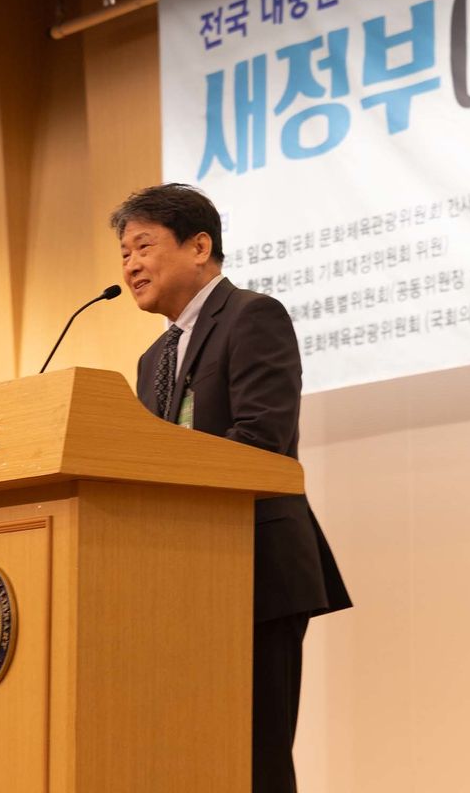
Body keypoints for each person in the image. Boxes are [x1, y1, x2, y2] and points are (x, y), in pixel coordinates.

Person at [110, 182, 351, 793]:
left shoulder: (252, 316)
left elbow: (262, 439)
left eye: (143, 246)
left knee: (256, 757)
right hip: (180, 576)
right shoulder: (151, 359)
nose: (131, 265)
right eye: (124, 254)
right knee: (196, 755)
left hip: (254, 566)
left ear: (199, 247)